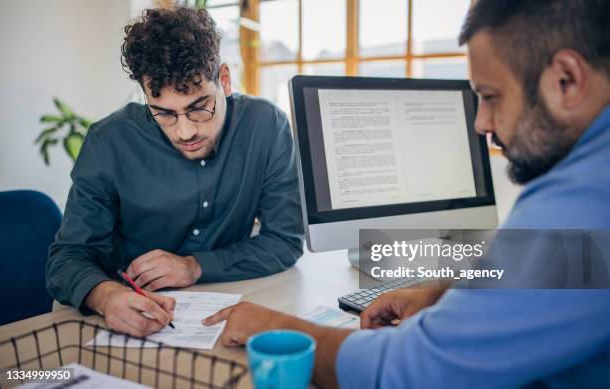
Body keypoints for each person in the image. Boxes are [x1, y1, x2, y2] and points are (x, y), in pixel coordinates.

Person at [202, 1, 610, 387]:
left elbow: (408, 374)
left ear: (566, 80)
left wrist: (273, 326)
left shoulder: (583, 202)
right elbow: (566, 268)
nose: (481, 123)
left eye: (490, 96)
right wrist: (448, 290)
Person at [46, 7, 304, 338]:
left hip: (228, 317)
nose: (185, 132)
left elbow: (284, 241)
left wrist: (194, 266)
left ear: (224, 80)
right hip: (128, 324)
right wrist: (107, 297)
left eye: (198, 108)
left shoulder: (266, 126)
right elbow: (67, 258)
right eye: (164, 113)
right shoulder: (109, 142)